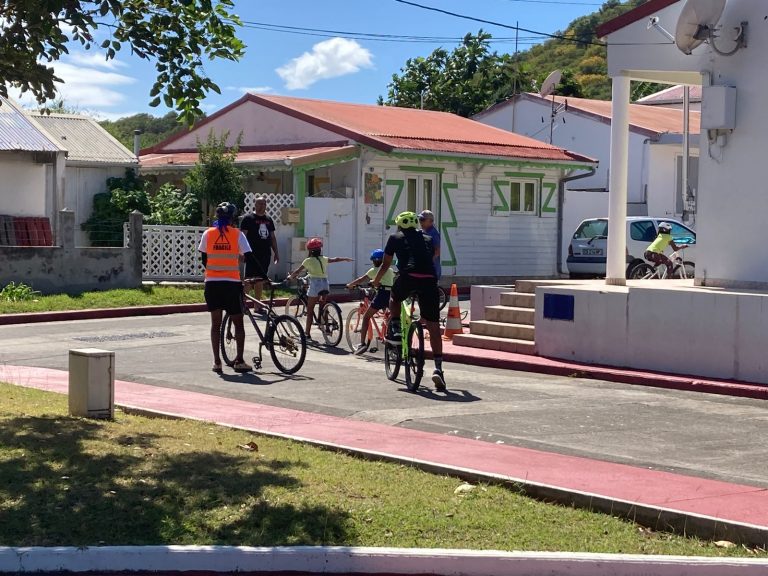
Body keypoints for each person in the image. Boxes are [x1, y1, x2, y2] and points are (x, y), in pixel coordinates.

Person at [372, 211, 446, 392]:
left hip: (408, 278)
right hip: (429, 281)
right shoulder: (428, 238)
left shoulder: (395, 237)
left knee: (394, 297)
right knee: (433, 326)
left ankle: (396, 326)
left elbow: (386, 264)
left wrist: (376, 281)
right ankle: (438, 369)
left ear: (400, 225)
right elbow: (432, 255)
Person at [198, 202, 258, 374]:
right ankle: (239, 361)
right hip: (231, 284)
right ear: (233, 218)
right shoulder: (237, 234)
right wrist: (262, 275)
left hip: (212, 283)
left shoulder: (208, 233)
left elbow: (204, 259)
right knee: (238, 323)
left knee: (215, 324)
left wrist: (214, 271)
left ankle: (217, 362)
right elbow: (249, 256)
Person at [287, 238, 353, 341]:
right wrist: (345, 259)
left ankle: (307, 334)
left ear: (310, 250)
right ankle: (326, 328)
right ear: (320, 249)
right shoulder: (324, 259)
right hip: (325, 284)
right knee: (323, 307)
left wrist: (290, 277)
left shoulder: (308, 260)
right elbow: (335, 259)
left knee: (310, 310)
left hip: (315, 284)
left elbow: (297, 271)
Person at [346, 249, 395, 355]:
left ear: (373, 261)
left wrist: (350, 284)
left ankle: (363, 344)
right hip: (391, 295)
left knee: (366, 317)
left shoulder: (373, 271)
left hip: (381, 295)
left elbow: (361, 279)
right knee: (389, 316)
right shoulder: (390, 270)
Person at [240, 196, 279, 303]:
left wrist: (276, 252)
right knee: (248, 280)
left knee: (260, 280)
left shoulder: (268, 220)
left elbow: (272, 237)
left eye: (264, 204)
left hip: (265, 254)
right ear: (255, 205)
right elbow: (243, 237)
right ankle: (243, 305)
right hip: (251, 255)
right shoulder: (248, 219)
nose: (262, 206)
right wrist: (242, 252)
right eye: (260, 204)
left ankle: (257, 305)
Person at [418, 210, 441, 280]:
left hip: (432, 270)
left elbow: (437, 251)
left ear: (430, 221)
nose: (420, 221)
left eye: (422, 219)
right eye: (420, 219)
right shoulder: (422, 231)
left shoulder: (433, 233)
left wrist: (427, 262)